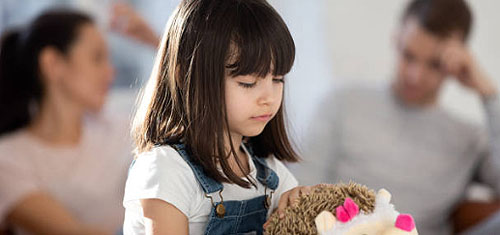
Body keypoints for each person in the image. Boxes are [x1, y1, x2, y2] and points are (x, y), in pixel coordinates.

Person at [294, 0, 500, 234]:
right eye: (408, 55)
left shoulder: (470, 139)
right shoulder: (343, 102)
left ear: (459, 62)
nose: (415, 76)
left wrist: (489, 95)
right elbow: (300, 191)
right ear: (396, 39)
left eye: (434, 64)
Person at [122, 0, 312, 234]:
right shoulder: (166, 169)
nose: (269, 98)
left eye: (278, 79)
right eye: (248, 83)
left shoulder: (269, 172)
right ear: (186, 77)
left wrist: (311, 208)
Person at [0, 5, 158, 234]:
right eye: (97, 58)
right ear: (52, 64)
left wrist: (160, 44)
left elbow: (196, 112)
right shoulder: (9, 158)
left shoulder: (123, 127)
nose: (110, 72)